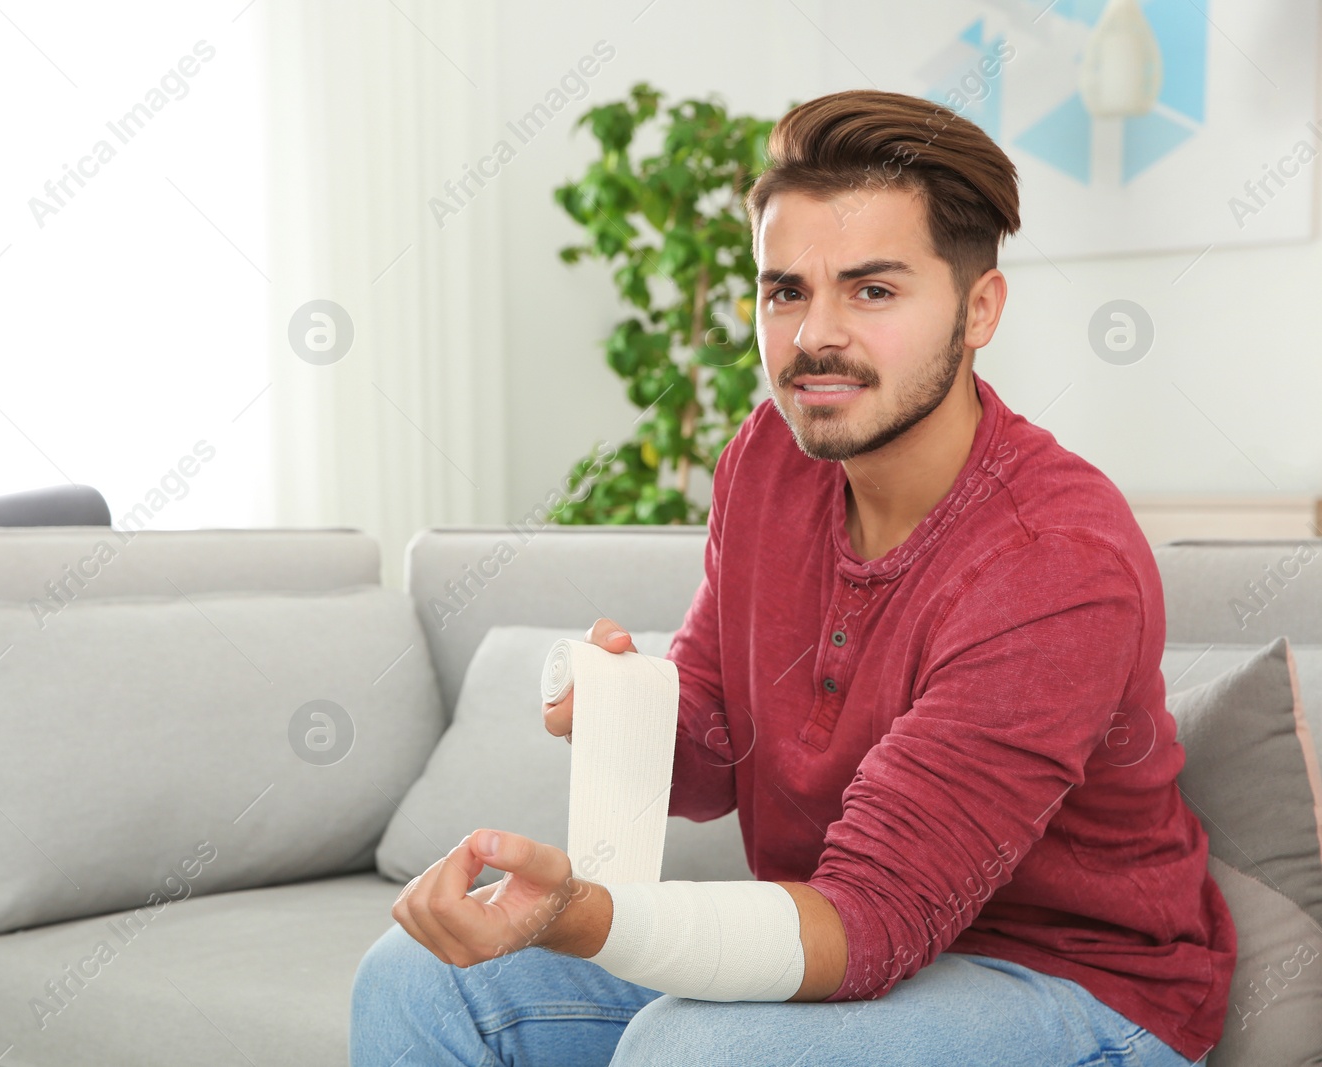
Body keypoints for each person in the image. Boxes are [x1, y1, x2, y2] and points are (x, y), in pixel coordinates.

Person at [350, 87, 1235, 1066]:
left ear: (977, 308)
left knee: (697, 1049)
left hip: (1075, 986)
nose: (815, 335)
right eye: (785, 290)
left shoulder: (1055, 558)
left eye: (872, 290)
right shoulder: (768, 455)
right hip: (854, 941)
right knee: (416, 974)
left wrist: (584, 914)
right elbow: (713, 747)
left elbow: (870, 921)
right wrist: (623, 711)